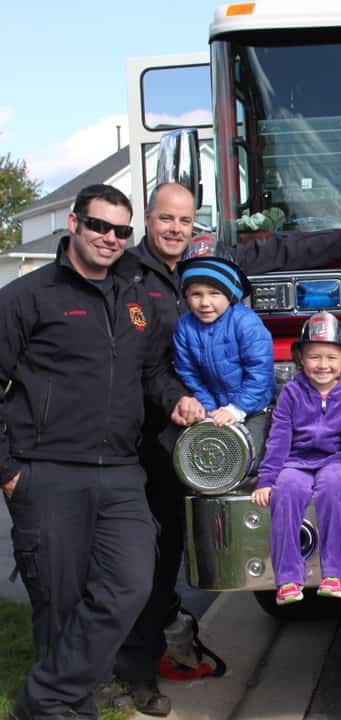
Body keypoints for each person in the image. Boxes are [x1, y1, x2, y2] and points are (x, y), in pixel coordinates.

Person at [115, 183, 341, 713]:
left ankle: (166, 641)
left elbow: (279, 249)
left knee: (168, 545)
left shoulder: (216, 259)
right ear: (148, 220)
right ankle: (139, 667)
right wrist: (183, 401)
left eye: (184, 220)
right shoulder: (126, 274)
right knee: (148, 550)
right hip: (161, 433)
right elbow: (149, 364)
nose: (175, 228)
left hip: (220, 427)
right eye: (164, 219)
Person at [0, 184, 199, 720]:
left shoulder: (133, 300)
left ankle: (43, 699)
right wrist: (9, 471)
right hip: (47, 473)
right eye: (99, 226)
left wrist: (177, 399)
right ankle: (65, 708)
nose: (110, 238)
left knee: (131, 586)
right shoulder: (28, 297)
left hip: (120, 472)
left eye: (120, 231)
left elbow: (153, 370)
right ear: (73, 223)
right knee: (60, 607)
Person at [251, 312, 341, 605]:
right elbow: (278, 438)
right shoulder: (290, 392)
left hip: (334, 462)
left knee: (336, 490)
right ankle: (288, 578)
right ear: (300, 359)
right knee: (285, 491)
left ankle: (336, 573)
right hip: (295, 462)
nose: (323, 365)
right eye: (314, 357)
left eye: (331, 357)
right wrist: (266, 480)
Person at [172, 250, 274, 435]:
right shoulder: (184, 327)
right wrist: (208, 407)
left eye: (214, 293)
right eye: (196, 294)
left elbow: (260, 371)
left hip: (254, 409)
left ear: (230, 294)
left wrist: (236, 409)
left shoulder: (246, 323)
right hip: (213, 409)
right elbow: (188, 372)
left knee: (250, 452)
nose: (204, 302)